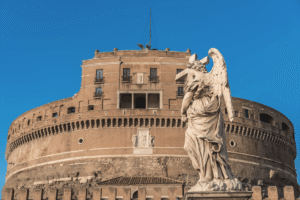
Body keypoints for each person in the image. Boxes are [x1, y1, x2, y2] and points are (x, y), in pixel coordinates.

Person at [181, 60, 240, 191]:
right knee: (206, 146)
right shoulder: (210, 78)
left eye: (188, 73)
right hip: (209, 110)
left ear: (193, 69)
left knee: (200, 145)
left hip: (200, 111)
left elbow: (187, 98)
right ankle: (208, 175)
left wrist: (182, 112)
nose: (187, 76)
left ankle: (206, 176)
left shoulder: (197, 79)